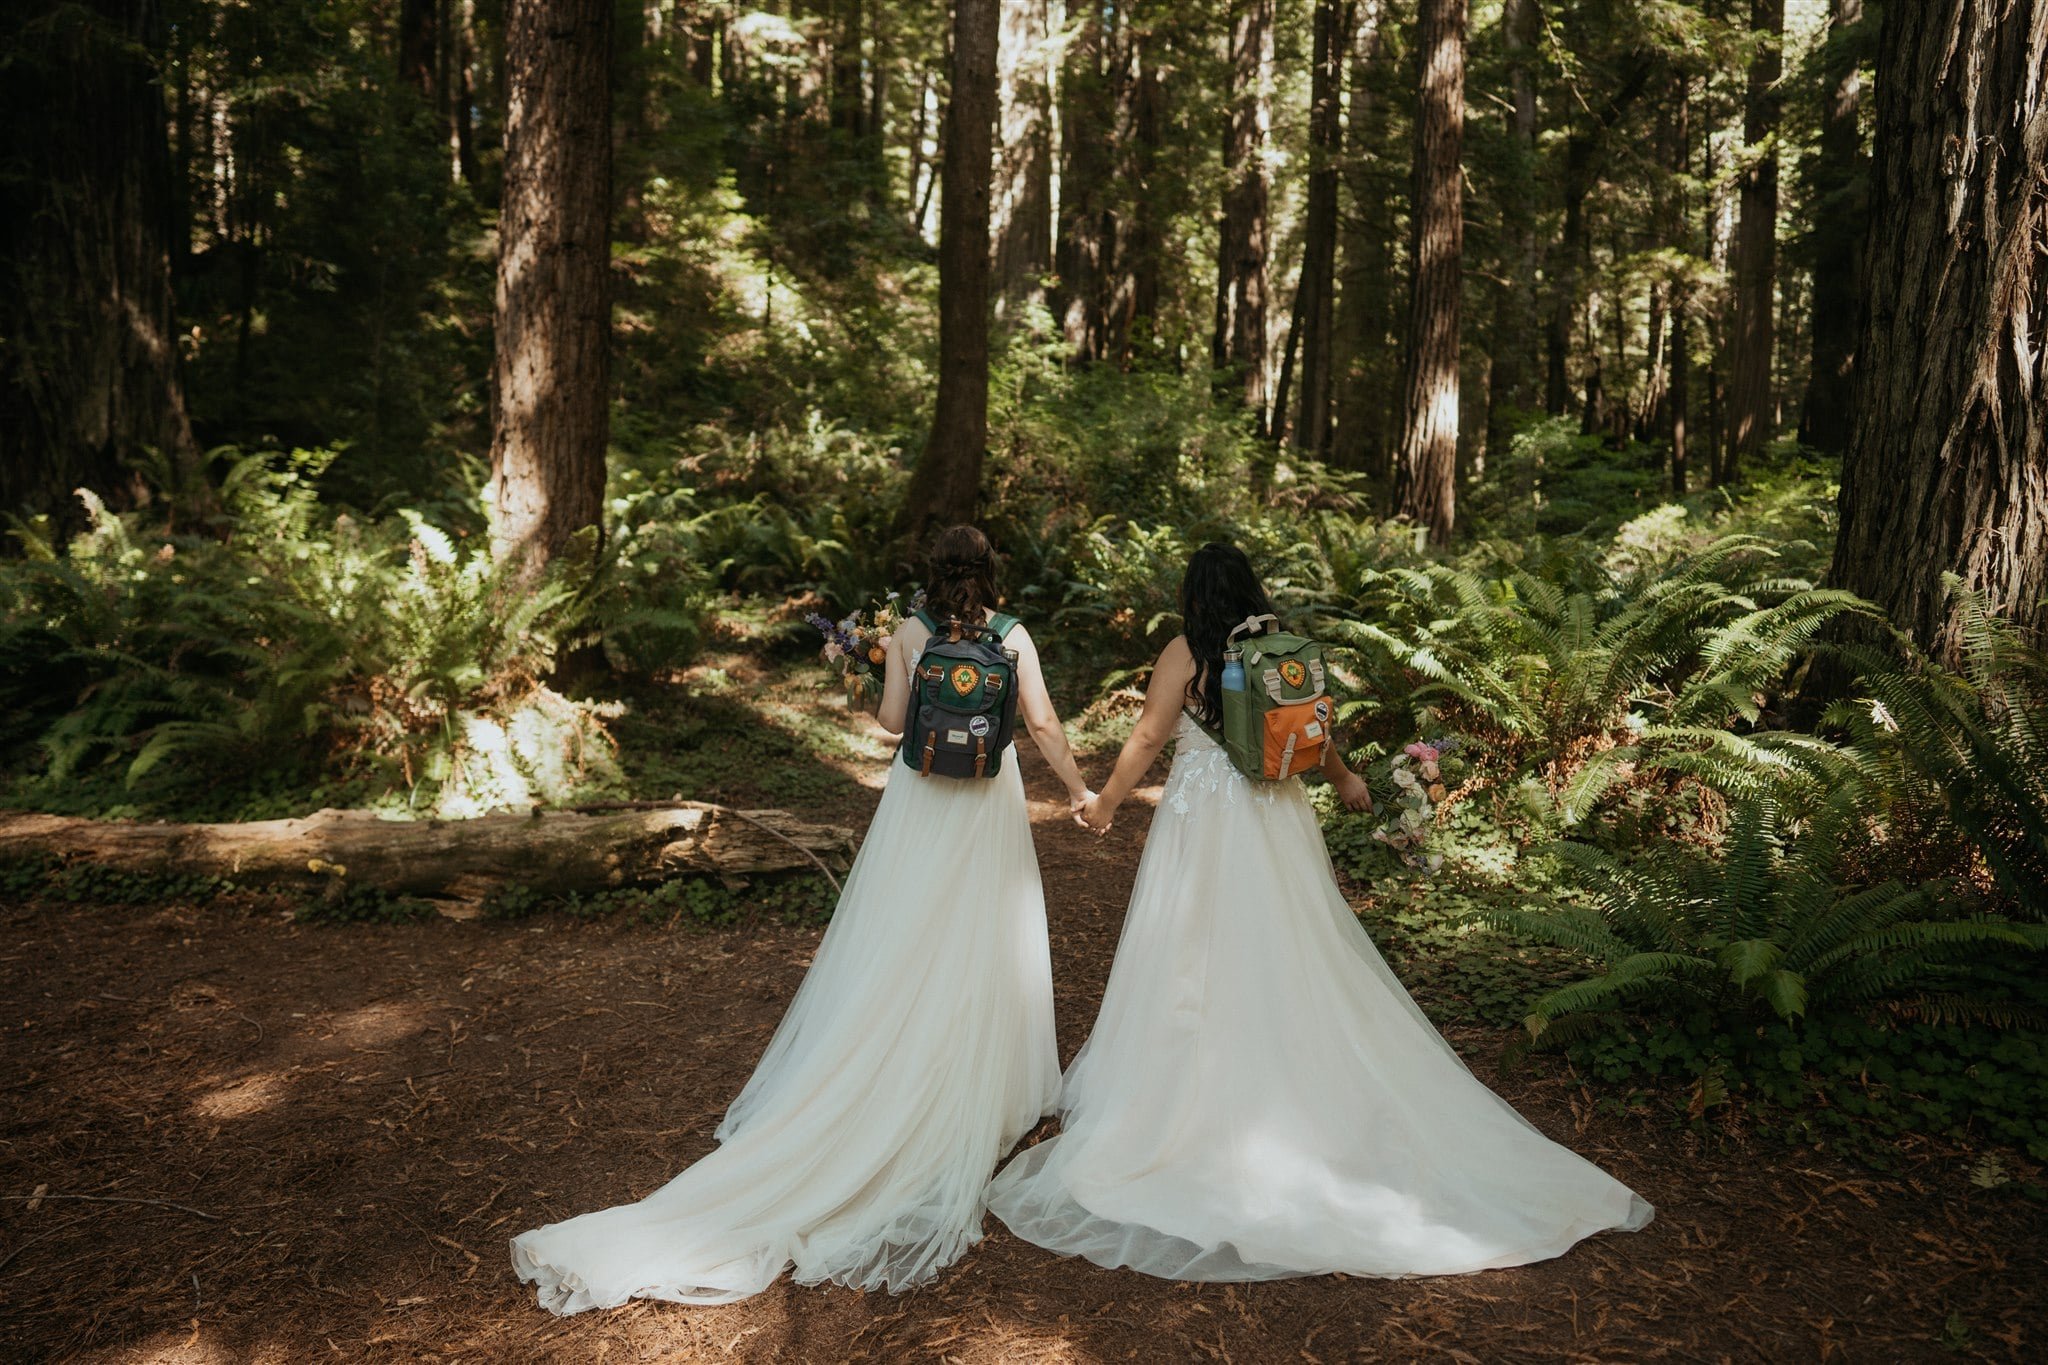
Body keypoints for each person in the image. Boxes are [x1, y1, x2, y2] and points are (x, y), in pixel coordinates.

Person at [985, 541, 1651, 1281]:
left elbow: (1147, 733)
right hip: (1276, 816)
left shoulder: (1184, 651)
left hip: (1204, 822)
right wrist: (1345, 779)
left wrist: (1107, 803)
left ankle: (1193, 1085)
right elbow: (1311, 731)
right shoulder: (1281, 646)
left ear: (1194, 596)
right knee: (1293, 940)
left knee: (1193, 944)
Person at [513, 525, 1093, 1310]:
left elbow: (891, 726)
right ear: (990, 574)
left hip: (924, 803)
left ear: (931, 572)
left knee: (906, 939)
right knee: (982, 939)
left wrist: (883, 667)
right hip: (987, 803)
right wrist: (1082, 792)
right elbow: (1046, 725)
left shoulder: (910, 631)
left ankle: (886, 1059)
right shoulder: (1012, 633)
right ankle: (975, 1080)